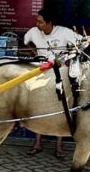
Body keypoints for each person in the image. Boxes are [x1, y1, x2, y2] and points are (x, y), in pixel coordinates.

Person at [23, 8, 81, 159]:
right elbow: (25, 41)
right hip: (40, 73)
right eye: (37, 21)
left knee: (60, 107)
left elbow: (81, 43)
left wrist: (69, 54)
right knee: (39, 107)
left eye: (40, 21)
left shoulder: (64, 32)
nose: (37, 24)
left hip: (59, 74)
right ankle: (37, 144)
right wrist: (35, 54)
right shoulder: (34, 32)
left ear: (49, 23)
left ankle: (59, 147)